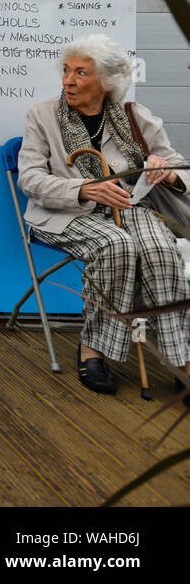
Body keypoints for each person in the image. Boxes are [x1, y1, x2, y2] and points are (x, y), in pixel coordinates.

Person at [19, 34, 190, 396]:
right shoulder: (42, 115)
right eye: (66, 71)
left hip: (130, 206)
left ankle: (181, 356)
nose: (68, 80)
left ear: (107, 81)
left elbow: (176, 163)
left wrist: (168, 171)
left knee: (161, 251)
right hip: (65, 213)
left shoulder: (135, 117)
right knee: (115, 245)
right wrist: (82, 188)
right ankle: (93, 348)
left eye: (81, 73)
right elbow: (30, 179)